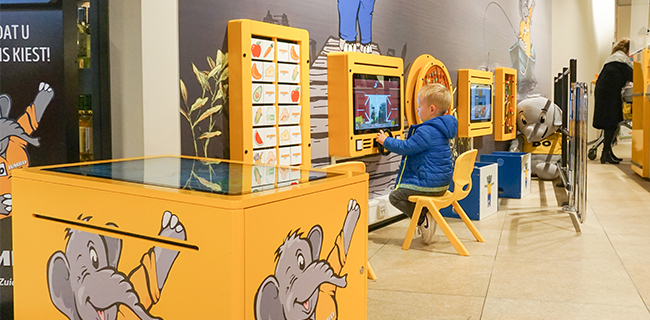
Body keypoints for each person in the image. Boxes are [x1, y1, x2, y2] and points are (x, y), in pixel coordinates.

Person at [376, 83, 458, 244]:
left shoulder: (427, 131)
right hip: (442, 183)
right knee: (404, 193)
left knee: (395, 197)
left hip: (429, 184)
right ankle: (426, 213)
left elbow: (407, 147)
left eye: (420, 106)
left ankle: (422, 218)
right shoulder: (442, 128)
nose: (417, 110)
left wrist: (386, 141)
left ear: (432, 109)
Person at [593, 38, 633, 164]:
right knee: (611, 122)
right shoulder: (621, 61)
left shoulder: (614, 58)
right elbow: (635, 76)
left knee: (610, 122)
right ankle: (606, 154)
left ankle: (607, 152)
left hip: (605, 92)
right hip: (609, 94)